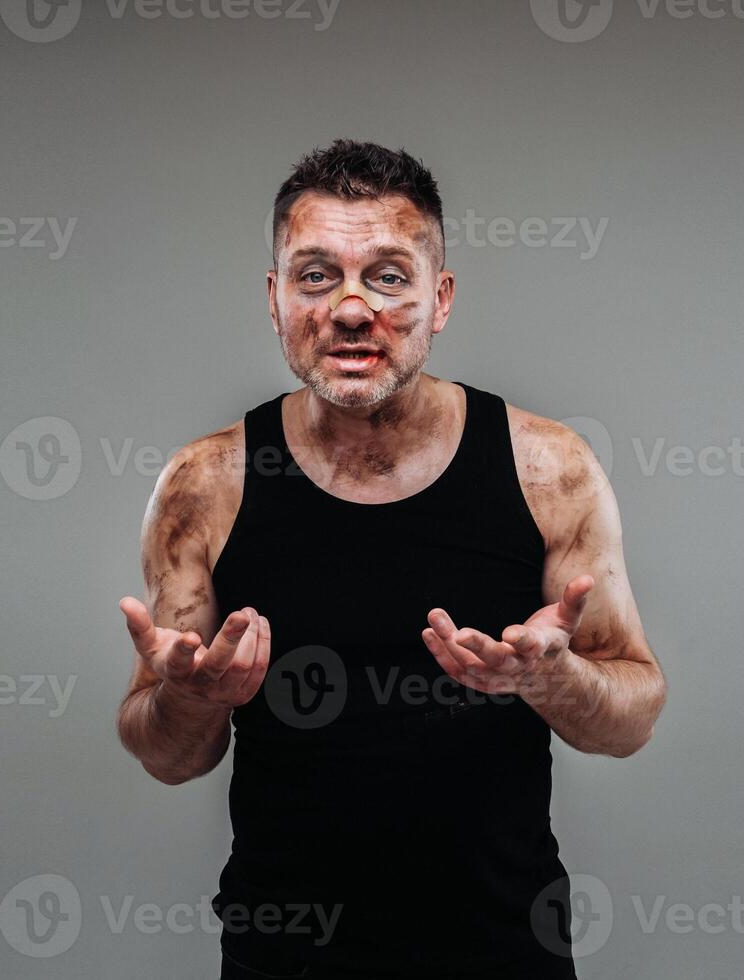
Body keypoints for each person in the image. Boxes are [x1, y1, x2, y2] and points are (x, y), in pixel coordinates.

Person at [117, 139, 666, 980]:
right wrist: (193, 698)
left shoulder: (548, 468)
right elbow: (166, 755)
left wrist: (548, 679)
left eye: (387, 276)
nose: (348, 309)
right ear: (274, 299)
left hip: (501, 953)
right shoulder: (207, 484)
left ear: (439, 299)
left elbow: (633, 716)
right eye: (314, 276)